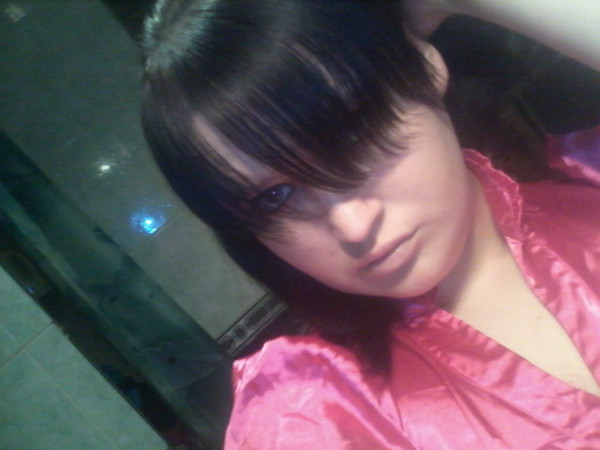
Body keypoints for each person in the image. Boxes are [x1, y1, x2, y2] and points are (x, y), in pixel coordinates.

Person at [140, 0, 600, 448]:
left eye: (352, 135)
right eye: (274, 198)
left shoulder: (588, 178)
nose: (354, 227)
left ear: (423, 67)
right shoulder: (312, 416)